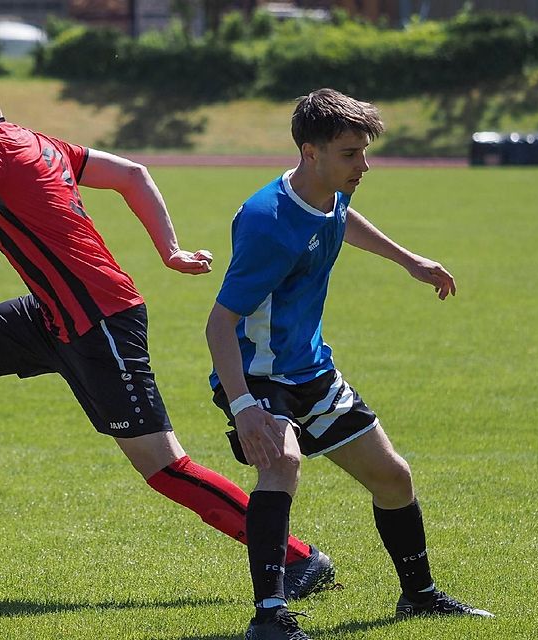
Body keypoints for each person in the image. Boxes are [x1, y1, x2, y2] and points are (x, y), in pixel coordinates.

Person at [0, 57, 336, 599]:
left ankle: (298, 558)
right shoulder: (38, 141)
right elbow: (130, 174)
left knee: (165, 467)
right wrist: (168, 250)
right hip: (51, 313)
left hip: (100, 322)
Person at [204, 88, 494, 640]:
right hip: (259, 376)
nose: (363, 165)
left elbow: (342, 218)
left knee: (394, 478)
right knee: (282, 464)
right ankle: (269, 616)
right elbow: (219, 324)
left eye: (364, 151)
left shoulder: (328, 192)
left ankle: (420, 596)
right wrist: (243, 407)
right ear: (309, 153)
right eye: (350, 154)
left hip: (312, 370)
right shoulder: (269, 223)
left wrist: (409, 260)